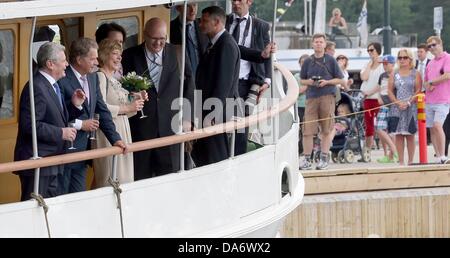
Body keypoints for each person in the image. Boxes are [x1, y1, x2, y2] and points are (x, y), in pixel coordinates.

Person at [122, 18, 195, 179]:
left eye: (162, 39)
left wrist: (188, 118)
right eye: (154, 38)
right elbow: (122, 90)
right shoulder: (129, 55)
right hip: (141, 129)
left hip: (171, 127)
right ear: (145, 35)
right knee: (141, 178)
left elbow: (189, 87)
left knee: (170, 178)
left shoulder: (178, 52)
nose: (158, 43)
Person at [14, 42, 85, 201]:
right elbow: (30, 126)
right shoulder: (36, 87)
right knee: (34, 214)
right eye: (64, 60)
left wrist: (74, 105)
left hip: (53, 162)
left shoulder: (52, 85)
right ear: (50, 64)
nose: (67, 64)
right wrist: (61, 133)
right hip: (39, 163)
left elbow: (56, 118)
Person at [58, 38, 126, 194]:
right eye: (93, 58)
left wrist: (116, 139)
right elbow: (59, 115)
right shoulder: (61, 79)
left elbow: (102, 111)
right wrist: (82, 124)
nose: (97, 62)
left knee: (79, 197)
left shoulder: (92, 77)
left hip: (84, 151)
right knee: (62, 199)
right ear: (79, 60)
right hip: (65, 150)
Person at [92, 39, 145, 188]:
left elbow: (122, 105)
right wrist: (128, 108)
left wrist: (136, 98)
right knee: (111, 176)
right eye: (115, 54)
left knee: (125, 176)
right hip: (108, 132)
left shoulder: (114, 79)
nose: (119, 58)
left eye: (120, 55)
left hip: (122, 128)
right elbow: (100, 108)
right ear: (103, 55)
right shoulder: (100, 77)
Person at [192, 6, 240, 166]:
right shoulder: (216, 43)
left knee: (215, 157)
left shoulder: (225, 45)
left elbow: (223, 85)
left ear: (217, 22)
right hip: (209, 110)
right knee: (205, 155)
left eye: (205, 21)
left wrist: (212, 114)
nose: (200, 25)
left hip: (216, 114)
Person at [225, 0, 275, 155]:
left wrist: (267, 80)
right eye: (233, 0)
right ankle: (223, 158)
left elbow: (267, 54)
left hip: (246, 82)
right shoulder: (224, 21)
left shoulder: (261, 26)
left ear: (249, 2)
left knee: (242, 124)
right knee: (223, 123)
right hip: (225, 81)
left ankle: (238, 159)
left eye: (239, 0)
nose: (235, 3)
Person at [299, 33, 344, 170]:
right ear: (312, 44)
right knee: (307, 130)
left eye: (320, 42)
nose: (318, 44)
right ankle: (307, 159)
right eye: (316, 42)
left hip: (327, 96)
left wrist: (327, 82)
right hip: (311, 97)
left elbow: (340, 79)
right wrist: (311, 82)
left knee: (326, 129)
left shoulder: (331, 60)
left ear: (325, 44)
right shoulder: (307, 61)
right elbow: (302, 80)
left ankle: (324, 158)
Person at [387, 49, 421, 165]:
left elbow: (418, 90)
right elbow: (390, 91)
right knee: (399, 135)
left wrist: (408, 102)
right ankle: (401, 162)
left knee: (410, 134)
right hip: (397, 107)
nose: (402, 60)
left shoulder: (415, 73)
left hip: (411, 107)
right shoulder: (394, 73)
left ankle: (411, 161)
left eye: (405, 57)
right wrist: (397, 103)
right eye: (400, 58)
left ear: (410, 59)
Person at [423, 36, 450, 164]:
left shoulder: (447, 58)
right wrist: (427, 85)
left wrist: (432, 82)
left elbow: (447, 75)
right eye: (429, 46)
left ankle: (444, 155)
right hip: (429, 100)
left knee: (438, 126)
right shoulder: (430, 63)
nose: (432, 48)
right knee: (432, 128)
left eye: (434, 45)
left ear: (440, 44)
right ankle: (439, 156)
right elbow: (426, 80)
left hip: (443, 100)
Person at [170, 3, 209, 77]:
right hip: (181, 79)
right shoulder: (170, 28)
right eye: (187, 6)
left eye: (195, 5)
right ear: (178, 8)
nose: (193, 10)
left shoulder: (205, 25)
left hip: (204, 77)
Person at [360, 42, 384, 152]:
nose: (370, 52)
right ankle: (367, 151)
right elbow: (364, 77)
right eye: (368, 50)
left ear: (378, 51)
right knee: (369, 126)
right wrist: (370, 65)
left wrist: (369, 92)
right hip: (367, 100)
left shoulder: (383, 65)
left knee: (381, 126)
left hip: (378, 99)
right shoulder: (367, 64)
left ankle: (387, 151)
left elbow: (383, 84)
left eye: (372, 50)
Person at [375, 55, 398, 163]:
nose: (384, 66)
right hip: (383, 105)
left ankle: (391, 155)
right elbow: (380, 89)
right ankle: (393, 151)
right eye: (383, 64)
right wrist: (379, 97)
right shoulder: (382, 76)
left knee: (392, 132)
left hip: (394, 106)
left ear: (393, 64)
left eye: (386, 63)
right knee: (379, 128)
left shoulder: (397, 75)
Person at [294, 54, 309, 156]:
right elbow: (296, 91)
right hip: (299, 106)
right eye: (302, 62)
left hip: (311, 106)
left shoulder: (313, 76)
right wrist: (309, 85)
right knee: (299, 130)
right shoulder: (296, 76)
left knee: (308, 130)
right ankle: (299, 150)